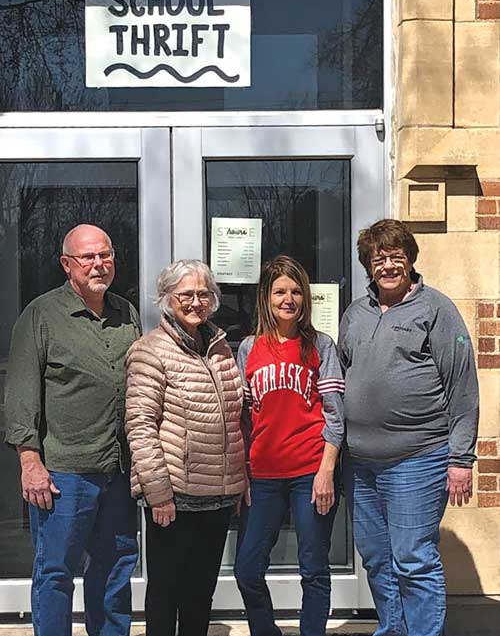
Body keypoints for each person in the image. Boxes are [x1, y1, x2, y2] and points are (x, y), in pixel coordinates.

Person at [338, 219, 479, 636]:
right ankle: (393, 630)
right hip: (361, 463)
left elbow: (463, 389)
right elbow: (343, 375)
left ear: (410, 259)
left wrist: (461, 459)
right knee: (377, 558)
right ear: (368, 265)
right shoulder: (355, 313)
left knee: (413, 559)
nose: (388, 266)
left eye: (396, 257)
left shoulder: (437, 310)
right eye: (379, 259)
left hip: (417, 459)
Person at [4, 224, 141, 636]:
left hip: (117, 470)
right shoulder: (41, 315)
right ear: (67, 265)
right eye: (88, 257)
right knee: (56, 572)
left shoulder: (126, 313)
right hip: (64, 474)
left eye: (106, 255)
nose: (99, 264)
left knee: (116, 569)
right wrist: (30, 463)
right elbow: (21, 395)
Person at [125, 259, 247, 636]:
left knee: (200, 594)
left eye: (204, 294)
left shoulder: (220, 348)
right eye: (186, 295)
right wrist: (159, 494)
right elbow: (140, 427)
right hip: (173, 498)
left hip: (218, 495)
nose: (196, 302)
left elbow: (233, 419)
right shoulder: (151, 350)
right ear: (167, 298)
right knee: (165, 592)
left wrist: (240, 482)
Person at [234, 255, 345, 636]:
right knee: (247, 568)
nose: (289, 299)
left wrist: (326, 471)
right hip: (261, 476)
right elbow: (243, 418)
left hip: (310, 473)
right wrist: (241, 474)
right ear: (266, 296)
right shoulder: (249, 348)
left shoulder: (320, 346)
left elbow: (335, 415)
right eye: (281, 291)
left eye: (297, 291)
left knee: (313, 568)